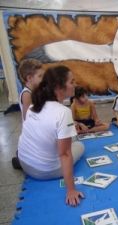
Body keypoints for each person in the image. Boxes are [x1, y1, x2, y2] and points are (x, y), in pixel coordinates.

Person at [18, 65, 85, 206]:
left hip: (24, 162)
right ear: (59, 87)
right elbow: (65, 154)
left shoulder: (32, 106)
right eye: (72, 82)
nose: (75, 85)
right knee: (79, 145)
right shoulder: (63, 112)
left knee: (66, 138)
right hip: (44, 171)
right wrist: (71, 190)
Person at [12, 59, 44, 170]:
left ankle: (21, 154)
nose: (42, 79)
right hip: (32, 134)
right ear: (29, 78)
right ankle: (19, 159)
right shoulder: (27, 94)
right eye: (40, 76)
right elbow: (28, 118)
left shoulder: (35, 91)